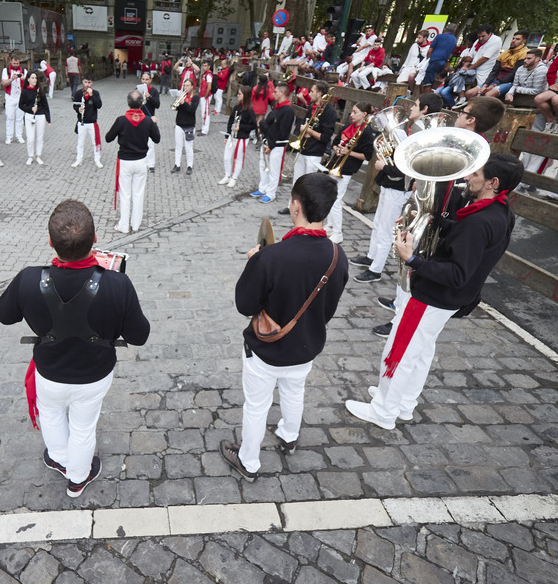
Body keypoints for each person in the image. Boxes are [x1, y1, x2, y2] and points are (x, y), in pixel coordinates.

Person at [347, 147, 521, 429]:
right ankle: (402, 403)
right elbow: (469, 246)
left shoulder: (479, 221)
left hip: (435, 296)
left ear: (493, 183)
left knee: (400, 351)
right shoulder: (499, 211)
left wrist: (412, 259)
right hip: (449, 299)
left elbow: (457, 272)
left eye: (476, 174)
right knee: (420, 352)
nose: (469, 177)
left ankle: (383, 411)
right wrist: (436, 221)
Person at [0, 200, 150, 497]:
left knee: (51, 414)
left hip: (49, 370)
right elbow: (139, 335)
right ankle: (77, 478)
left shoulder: (29, 278)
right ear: (95, 239)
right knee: (83, 425)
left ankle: (60, 459)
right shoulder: (118, 283)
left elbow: (5, 315)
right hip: (94, 372)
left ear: (51, 243)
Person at [220, 173, 349, 480]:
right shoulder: (337, 256)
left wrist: (253, 262)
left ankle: (248, 462)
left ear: (294, 206)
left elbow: (244, 305)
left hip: (266, 350)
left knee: (256, 405)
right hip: (306, 347)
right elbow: (327, 310)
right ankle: (289, 436)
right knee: (294, 391)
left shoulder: (271, 257)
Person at [368, 94, 506, 334]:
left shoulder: (477, 151)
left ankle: (400, 321)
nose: (458, 116)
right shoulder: (459, 141)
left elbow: (462, 190)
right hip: (434, 211)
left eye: (463, 113)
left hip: (445, 217)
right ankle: (400, 307)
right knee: (409, 258)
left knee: (415, 262)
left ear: (471, 119)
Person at [351, 93, 443, 284]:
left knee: (386, 229)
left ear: (425, 110)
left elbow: (409, 167)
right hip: (389, 183)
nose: (411, 108)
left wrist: (384, 166)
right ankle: (371, 256)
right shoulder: (411, 130)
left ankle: (375, 270)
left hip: (399, 187)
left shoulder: (422, 136)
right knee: (378, 223)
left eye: (415, 105)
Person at [105, 90, 160, 233]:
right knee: (138, 194)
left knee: (125, 194)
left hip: (125, 162)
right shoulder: (148, 121)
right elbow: (157, 139)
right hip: (141, 161)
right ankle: (135, 224)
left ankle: (123, 226)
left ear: (128, 103)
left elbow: (108, 138)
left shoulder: (121, 120)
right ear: (142, 104)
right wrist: (154, 124)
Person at [281, 81, 336, 215]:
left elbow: (325, 137)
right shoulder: (312, 107)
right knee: (297, 180)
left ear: (319, 93)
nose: (309, 94)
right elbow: (305, 127)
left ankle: (305, 211)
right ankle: (291, 207)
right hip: (303, 149)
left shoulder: (329, 112)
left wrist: (309, 132)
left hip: (315, 152)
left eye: (312, 91)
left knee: (309, 184)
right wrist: (304, 131)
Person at [324, 103, 375, 244]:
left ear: (364, 114)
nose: (351, 115)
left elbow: (367, 155)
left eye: (355, 112)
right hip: (335, 164)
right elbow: (334, 141)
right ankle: (330, 225)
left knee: (336, 200)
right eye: (351, 112)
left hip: (346, 169)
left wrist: (349, 152)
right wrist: (337, 148)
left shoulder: (366, 132)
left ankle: (338, 232)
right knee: (330, 197)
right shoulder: (347, 127)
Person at [253, 82, 295, 204]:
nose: (273, 94)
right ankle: (262, 188)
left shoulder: (288, 111)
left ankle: (271, 193)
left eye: (275, 92)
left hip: (277, 144)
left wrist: (271, 145)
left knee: (274, 170)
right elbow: (267, 124)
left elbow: (282, 132)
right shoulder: (276, 108)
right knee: (264, 167)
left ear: (282, 93)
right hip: (268, 141)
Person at [219, 86, 255, 189]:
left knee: (238, 158)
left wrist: (241, 127)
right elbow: (230, 121)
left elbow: (253, 125)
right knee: (226, 157)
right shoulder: (236, 107)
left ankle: (234, 178)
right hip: (232, 136)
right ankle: (227, 175)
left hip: (242, 138)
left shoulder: (249, 110)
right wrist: (227, 135)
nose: (237, 95)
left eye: (240, 94)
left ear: (245, 96)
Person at [20, 71, 51, 165]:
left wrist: (48, 118)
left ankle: (38, 155)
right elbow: (21, 105)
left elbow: (45, 104)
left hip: (40, 115)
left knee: (40, 137)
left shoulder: (40, 90)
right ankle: (30, 156)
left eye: (36, 78)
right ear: (28, 79)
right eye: (32, 78)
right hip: (29, 116)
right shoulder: (25, 91)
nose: (34, 80)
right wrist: (30, 108)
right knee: (30, 138)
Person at [72, 75, 102, 168]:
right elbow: (75, 105)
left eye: (89, 82)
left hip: (92, 122)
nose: (87, 85)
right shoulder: (78, 93)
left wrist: (92, 95)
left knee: (95, 142)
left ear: (92, 83)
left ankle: (97, 159)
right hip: (82, 122)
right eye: (85, 82)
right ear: (83, 82)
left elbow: (99, 105)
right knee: (80, 142)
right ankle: (79, 159)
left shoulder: (96, 93)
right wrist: (78, 109)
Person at [171, 77, 199, 175]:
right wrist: (178, 102)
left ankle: (189, 166)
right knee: (178, 146)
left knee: (188, 147)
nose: (185, 87)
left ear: (192, 87)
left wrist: (184, 103)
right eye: (184, 85)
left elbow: (192, 110)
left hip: (190, 125)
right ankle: (177, 165)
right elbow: (176, 109)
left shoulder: (195, 98)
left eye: (187, 86)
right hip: (179, 124)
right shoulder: (182, 95)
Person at [421, 23, 458, 93]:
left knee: (427, 83)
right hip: (443, 63)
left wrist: (427, 59)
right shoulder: (454, 40)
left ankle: (424, 99)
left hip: (434, 61)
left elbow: (430, 50)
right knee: (436, 81)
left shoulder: (439, 36)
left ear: (445, 29)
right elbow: (450, 55)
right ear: (454, 31)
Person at [137, 72, 161, 172]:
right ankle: (140, 162)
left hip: (150, 119)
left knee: (150, 144)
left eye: (147, 79)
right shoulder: (137, 90)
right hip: (139, 119)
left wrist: (149, 97)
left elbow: (157, 105)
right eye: (143, 79)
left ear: (150, 80)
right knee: (139, 142)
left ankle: (150, 164)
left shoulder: (154, 91)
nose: (145, 81)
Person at [1, 54, 26, 145]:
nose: (16, 64)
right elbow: (4, 83)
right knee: (9, 117)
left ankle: (19, 136)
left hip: (20, 96)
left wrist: (23, 78)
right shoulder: (6, 70)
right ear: (11, 61)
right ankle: (9, 137)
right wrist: (11, 79)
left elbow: (28, 83)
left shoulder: (23, 70)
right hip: (10, 96)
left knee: (20, 117)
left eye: (17, 63)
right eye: (14, 63)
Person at [197, 61, 214, 136]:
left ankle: (205, 130)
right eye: (203, 66)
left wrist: (205, 96)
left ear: (209, 67)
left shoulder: (208, 75)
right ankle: (203, 127)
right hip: (203, 95)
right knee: (202, 113)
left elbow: (209, 87)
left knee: (205, 113)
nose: (204, 67)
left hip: (206, 96)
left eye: (205, 66)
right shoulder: (205, 74)